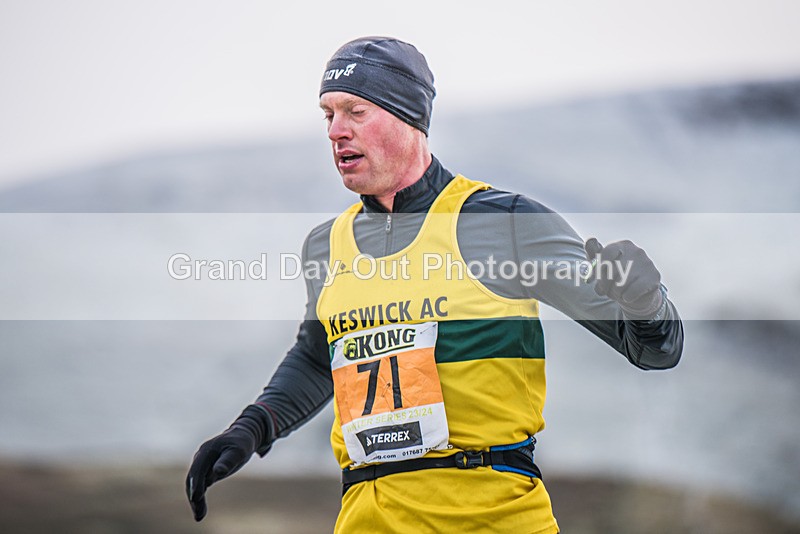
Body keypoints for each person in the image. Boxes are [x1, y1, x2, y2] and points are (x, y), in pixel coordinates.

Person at [186, 36, 683, 533]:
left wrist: (644, 301)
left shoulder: (503, 223)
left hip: (493, 519)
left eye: (356, 111)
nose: (336, 131)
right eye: (328, 115)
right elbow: (319, 356)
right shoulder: (326, 246)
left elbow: (654, 350)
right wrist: (250, 430)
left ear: (409, 117)